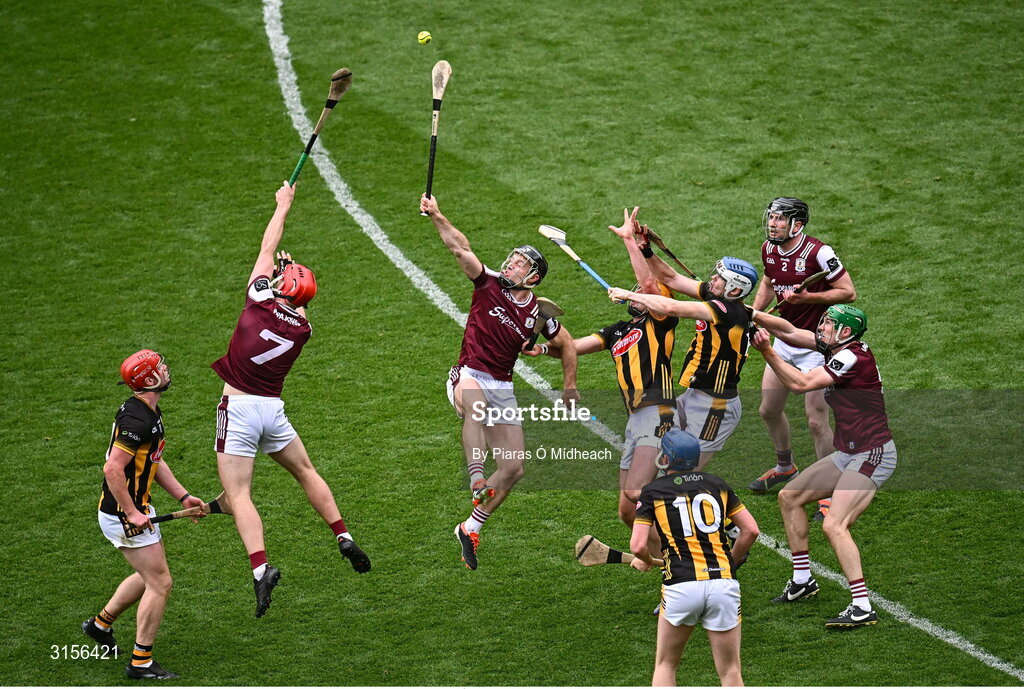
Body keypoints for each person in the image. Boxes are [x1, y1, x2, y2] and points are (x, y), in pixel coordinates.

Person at [212, 181, 370, 619]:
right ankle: (343, 535)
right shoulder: (302, 328)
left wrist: (283, 206)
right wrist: (291, 276)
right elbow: (297, 305)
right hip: (273, 412)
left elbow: (267, 247)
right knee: (305, 471)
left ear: (279, 287)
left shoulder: (259, 299)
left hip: (239, 409)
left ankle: (261, 569)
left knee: (238, 494)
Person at [420, 193, 579, 570]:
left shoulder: (538, 314)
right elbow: (460, 249)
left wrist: (568, 384)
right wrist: (437, 215)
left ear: (534, 277)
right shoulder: (487, 283)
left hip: (502, 386)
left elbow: (567, 345)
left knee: (513, 468)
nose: (510, 265)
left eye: (520, 264)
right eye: (511, 259)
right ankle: (476, 478)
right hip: (469, 374)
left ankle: (470, 527)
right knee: (474, 405)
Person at [526, 208, 678, 539]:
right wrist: (538, 343)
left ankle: (705, 535)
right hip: (635, 418)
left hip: (659, 411)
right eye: (635, 288)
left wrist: (628, 240)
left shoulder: (662, 322)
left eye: (644, 291)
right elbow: (571, 347)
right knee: (627, 510)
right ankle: (665, 561)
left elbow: (652, 283)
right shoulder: (617, 331)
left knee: (638, 493)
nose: (638, 289)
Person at [750, 305, 893, 628]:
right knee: (790, 498)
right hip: (849, 453)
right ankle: (803, 580)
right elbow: (789, 330)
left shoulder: (850, 358)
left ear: (845, 333)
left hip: (873, 454)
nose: (821, 327)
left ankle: (862, 606)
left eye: (828, 324)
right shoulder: (840, 347)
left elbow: (801, 383)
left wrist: (768, 352)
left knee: (834, 525)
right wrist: (751, 313)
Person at [83, 349, 206, 680]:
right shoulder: (139, 420)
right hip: (124, 513)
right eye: (160, 368)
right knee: (161, 582)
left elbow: (153, 459)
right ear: (149, 379)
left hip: (133, 508)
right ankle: (140, 662)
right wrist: (133, 512)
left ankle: (99, 625)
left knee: (150, 576)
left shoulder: (145, 410)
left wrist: (182, 495)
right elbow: (112, 469)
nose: (166, 369)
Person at [749, 198, 857, 524]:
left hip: (815, 344)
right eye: (772, 218)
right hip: (784, 342)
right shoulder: (769, 249)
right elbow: (768, 281)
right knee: (768, 410)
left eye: (780, 219)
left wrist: (809, 297)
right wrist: (756, 314)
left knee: (815, 420)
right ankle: (785, 467)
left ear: (797, 224)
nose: (773, 224)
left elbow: (848, 292)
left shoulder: (819, 253)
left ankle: (828, 490)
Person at [609, 239, 759, 470]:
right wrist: (647, 251)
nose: (712, 279)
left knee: (683, 471)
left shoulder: (726, 310)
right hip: (694, 395)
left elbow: (671, 307)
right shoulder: (719, 299)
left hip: (715, 407)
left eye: (719, 278)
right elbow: (671, 279)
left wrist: (631, 295)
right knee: (662, 447)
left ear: (735, 289)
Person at [630, 430, 759, 687]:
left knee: (666, 665)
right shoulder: (718, 485)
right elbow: (751, 531)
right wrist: (731, 563)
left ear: (666, 458)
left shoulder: (652, 491)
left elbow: (637, 545)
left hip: (681, 586)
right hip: (723, 584)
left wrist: (644, 559)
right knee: (730, 671)